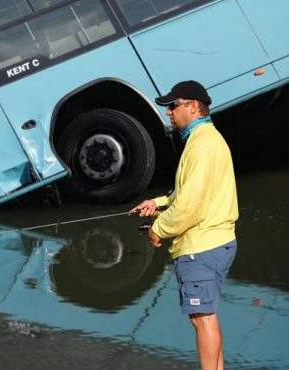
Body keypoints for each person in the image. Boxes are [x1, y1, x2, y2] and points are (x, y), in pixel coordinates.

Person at [130, 80, 238, 370]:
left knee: (202, 319)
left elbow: (190, 207)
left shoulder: (201, 144)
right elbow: (190, 192)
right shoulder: (206, 139)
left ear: (192, 106)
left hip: (201, 247)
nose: (168, 112)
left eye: (172, 106)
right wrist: (159, 203)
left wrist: (158, 229)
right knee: (207, 317)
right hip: (216, 241)